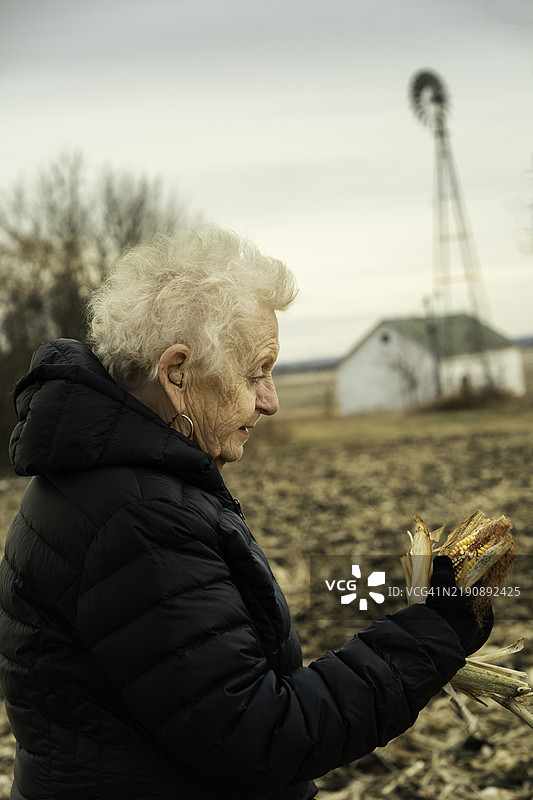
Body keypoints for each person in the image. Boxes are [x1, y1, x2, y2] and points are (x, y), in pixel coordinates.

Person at [0, 223, 492, 800]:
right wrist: (436, 629)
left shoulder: (107, 483)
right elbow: (260, 737)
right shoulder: (136, 519)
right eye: (255, 372)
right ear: (177, 373)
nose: (271, 400)